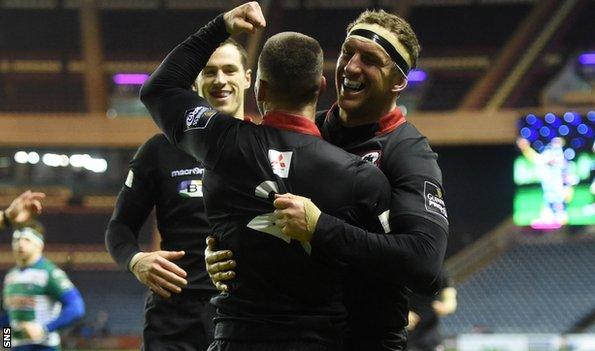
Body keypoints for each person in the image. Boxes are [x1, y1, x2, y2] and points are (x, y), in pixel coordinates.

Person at [140, 2, 392, 349]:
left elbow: (159, 88)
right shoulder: (360, 176)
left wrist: (221, 26)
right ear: (320, 86)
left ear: (258, 89)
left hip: (238, 340)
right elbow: (387, 275)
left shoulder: (222, 142)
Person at [206, 8, 449, 350]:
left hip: (368, 341)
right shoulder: (303, 133)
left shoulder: (408, 153)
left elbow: (425, 263)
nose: (351, 66)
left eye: (370, 60)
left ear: (398, 82)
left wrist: (321, 228)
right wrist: (222, 252)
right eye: (348, 52)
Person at [104, 38, 251, 349]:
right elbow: (119, 228)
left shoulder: (264, 148)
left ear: (247, 78)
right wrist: (135, 260)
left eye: (229, 70)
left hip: (243, 314)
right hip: (174, 316)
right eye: (209, 72)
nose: (220, 80)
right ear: (196, 81)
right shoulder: (159, 151)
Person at [2, 222, 85, 350]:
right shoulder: (10, 277)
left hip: (43, 347)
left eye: (27, 239)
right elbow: (9, 318)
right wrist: (5, 345)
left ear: (39, 245)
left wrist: (44, 329)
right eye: (17, 239)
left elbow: (77, 308)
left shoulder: (49, 273)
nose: (20, 243)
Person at [406, 271, 456, 351]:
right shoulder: (399, 268)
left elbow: (450, 296)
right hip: (404, 330)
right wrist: (402, 314)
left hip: (429, 329)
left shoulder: (436, 270)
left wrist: (446, 306)